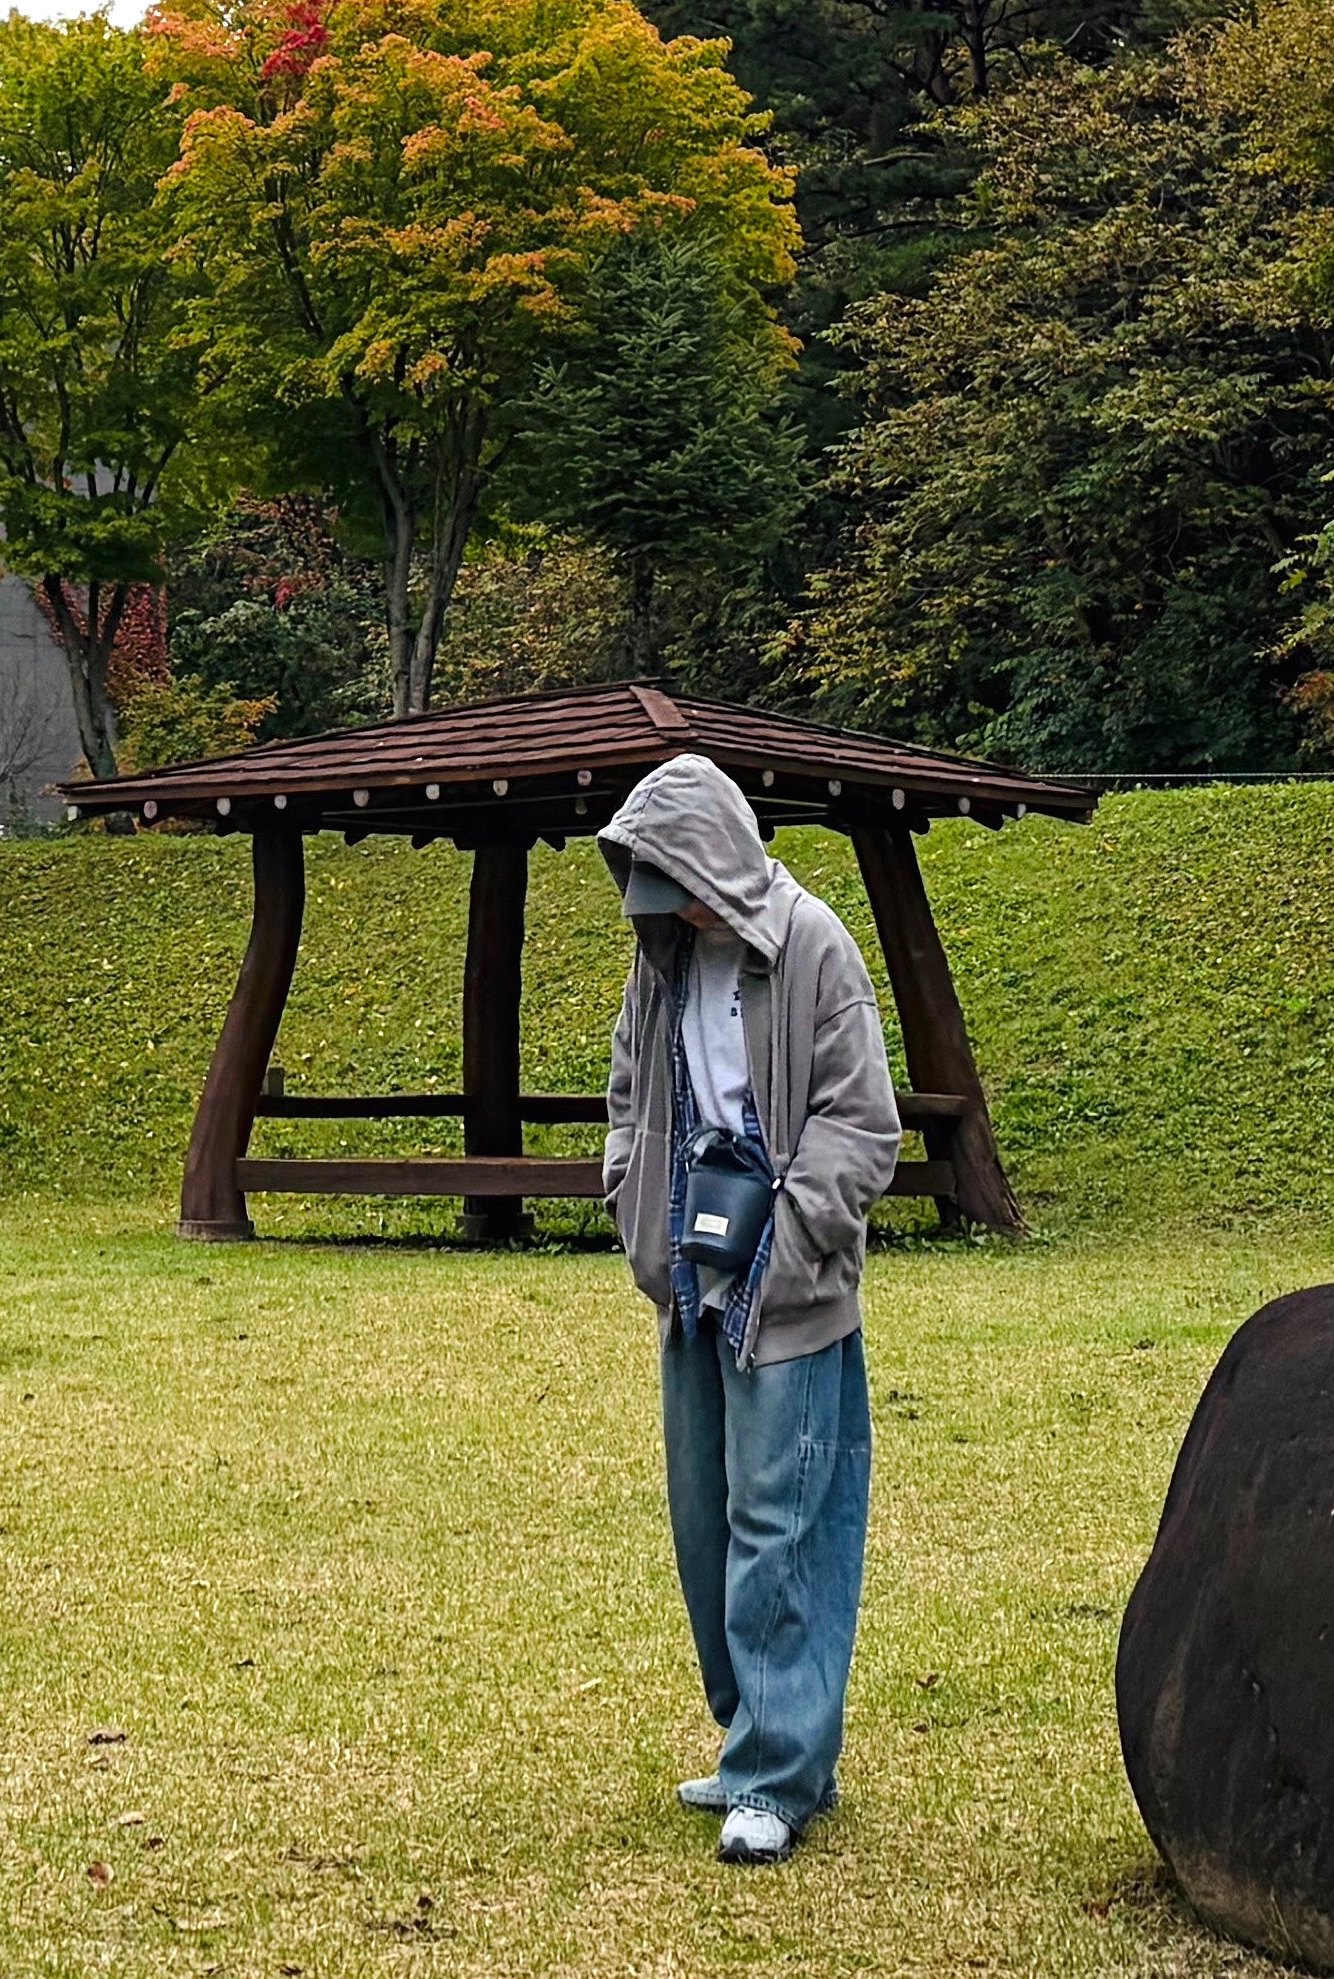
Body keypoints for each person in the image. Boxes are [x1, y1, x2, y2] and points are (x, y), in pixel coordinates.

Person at [598, 754, 900, 1864]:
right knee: (705, 1515)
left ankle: (779, 1772)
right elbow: (631, 1091)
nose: (658, 904)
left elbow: (861, 1123)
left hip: (789, 1282)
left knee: (784, 1519)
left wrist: (793, 1242)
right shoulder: (663, 958)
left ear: (710, 861)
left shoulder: (812, 943)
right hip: (690, 1270)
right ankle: (752, 1742)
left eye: (668, 879)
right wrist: (635, 1204)